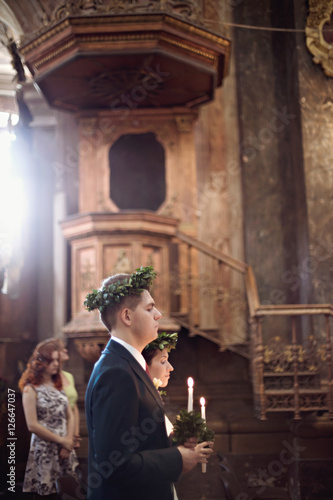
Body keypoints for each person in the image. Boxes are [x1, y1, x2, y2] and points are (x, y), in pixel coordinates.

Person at [84, 266, 207, 500]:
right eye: (150, 308)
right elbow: (115, 464)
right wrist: (177, 458)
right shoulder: (116, 373)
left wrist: (177, 444)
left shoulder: (127, 364)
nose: (158, 314)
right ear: (127, 316)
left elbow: (137, 442)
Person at [18, 339, 78, 499]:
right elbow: (32, 425)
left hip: (65, 447)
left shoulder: (58, 385)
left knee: (70, 491)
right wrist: (61, 441)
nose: (56, 364)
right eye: (52, 360)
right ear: (40, 362)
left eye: (57, 360)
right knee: (47, 494)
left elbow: (70, 414)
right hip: (45, 448)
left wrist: (68, 442)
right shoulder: (31, 389)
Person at [142, 332, 214, 455]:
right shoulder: (143, 402)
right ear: (144, 365)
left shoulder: (152, 398)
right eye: (163, 361)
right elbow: (152, 451)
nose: (171, 367)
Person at [54, 338, 81, 448]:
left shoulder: (69, 376)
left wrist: (75, 435)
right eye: (61, 349)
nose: (66, 351)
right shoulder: (48, 379)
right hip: (56, 430)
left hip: (70, 428)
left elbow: (74, 406)